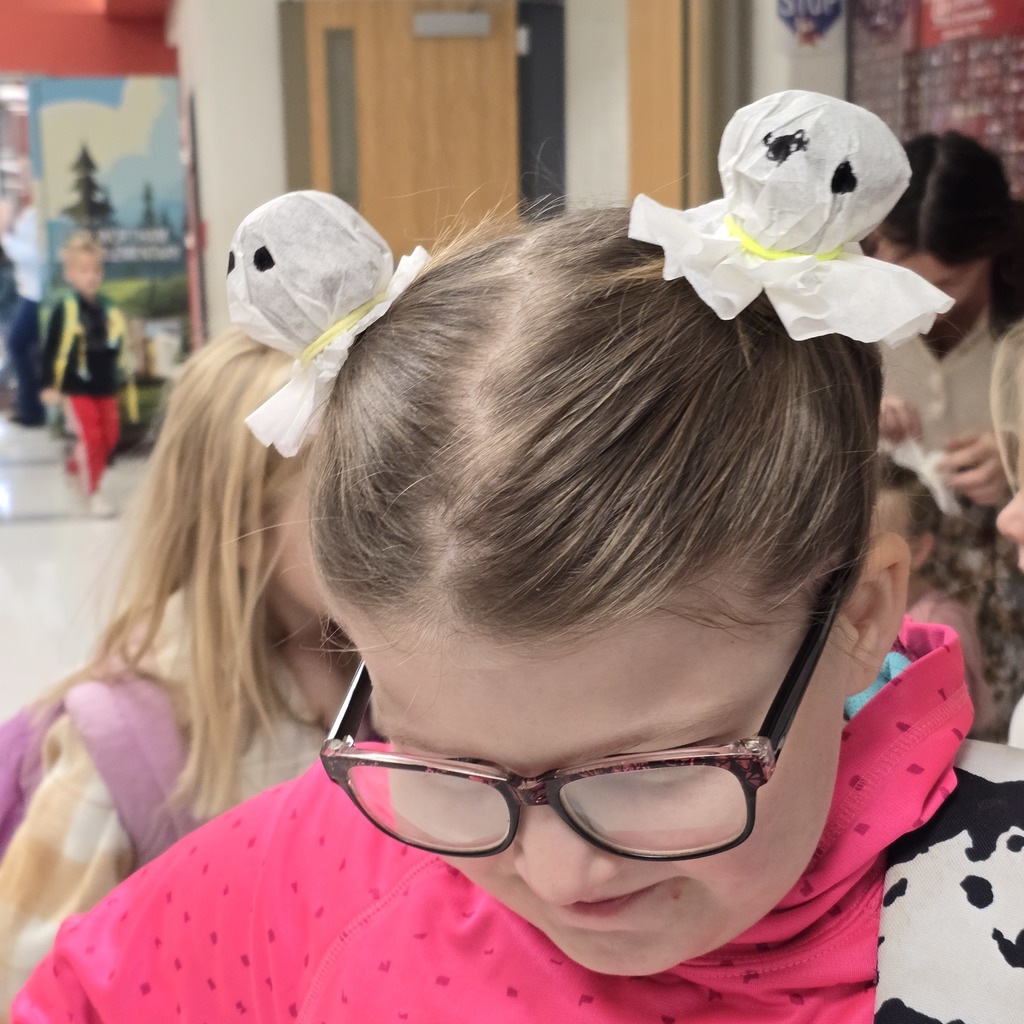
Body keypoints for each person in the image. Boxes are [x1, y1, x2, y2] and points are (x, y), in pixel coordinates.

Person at [14, 93, 1024, 1023]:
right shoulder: (342, 852)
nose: (558, 875)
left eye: (652, 771)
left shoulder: (993, 918)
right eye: (450, 768)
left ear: (858, 617)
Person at [0, 328, 355, 1017]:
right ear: (245, 524)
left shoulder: (403, 680)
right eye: (354, 499)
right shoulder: (123, 750)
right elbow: (29, 986)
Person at [872, 130, 1024, 739]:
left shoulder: (1013, 331)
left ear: (994, 250)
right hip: (896, 560)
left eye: (951, 281)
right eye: (910, 282)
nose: (930, 305)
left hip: (1004, 576)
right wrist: (853, 414)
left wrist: (1015, 456)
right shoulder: (844, 317)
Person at [875, 455, 994, 733]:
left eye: (870, 546)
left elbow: (951, 730)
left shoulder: (938, 628)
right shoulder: (849, 614)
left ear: (918, 550)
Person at [38, 233, 133, 516]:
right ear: (70, 274)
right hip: (77, 387)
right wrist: (48, 384)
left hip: (105, 385)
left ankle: (74, 463)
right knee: (91, 438)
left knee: (109, 438)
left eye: (95, 270)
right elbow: (50, 348)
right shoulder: (65, 308)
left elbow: (114, 347)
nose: (90, 276)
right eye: (83, 270)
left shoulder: (107, 308)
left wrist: (122, 374)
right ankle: (95, 492)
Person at [0, 200, 45, 427]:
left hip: (35, 293)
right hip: (25, 290)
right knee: (23, 347)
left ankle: (32, 408)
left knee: (17, 344)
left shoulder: (35, 214)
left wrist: (5, 235)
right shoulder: (24, 213)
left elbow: (33, 255)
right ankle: (30, 405)